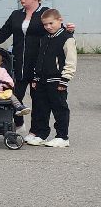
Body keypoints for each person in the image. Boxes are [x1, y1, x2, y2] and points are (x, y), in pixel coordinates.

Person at [0, 0, 51, 105]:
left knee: (40, 102)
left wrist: (69, 31)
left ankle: (38, 119)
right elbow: (2, 35)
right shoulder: (16, 14)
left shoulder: (46, 13)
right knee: (13, 99)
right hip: (19, 65)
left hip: (39, 65)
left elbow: (57, 30)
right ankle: (17, 118)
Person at [28, 8, 74, 148]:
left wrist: (64, 80)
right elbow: (39, 59)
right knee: (41, 109)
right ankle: (41, 134)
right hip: (41, 80)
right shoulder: (44, 38)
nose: (48, 27)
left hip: (57, 81)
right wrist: (36, 77)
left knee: (59, 109)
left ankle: (62, 137)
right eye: (45, 24)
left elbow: (71, 61)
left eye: (51, 23)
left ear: (60, 20)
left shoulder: (67, 38)